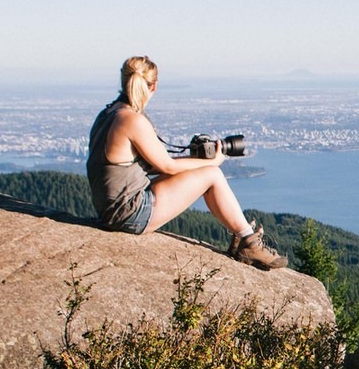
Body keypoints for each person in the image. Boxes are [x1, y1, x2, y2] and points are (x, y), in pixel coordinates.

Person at [86, 55, 286, 269]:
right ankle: (248, 242)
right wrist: (213, 162)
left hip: (111, 209)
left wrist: (193, 160)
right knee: (213, 176)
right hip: (129, 213)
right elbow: (167, 167)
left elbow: (143, 166)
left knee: (206, 173)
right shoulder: (132, 120)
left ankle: (244, 238)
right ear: (154, 86)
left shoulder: (108, 114)